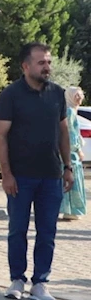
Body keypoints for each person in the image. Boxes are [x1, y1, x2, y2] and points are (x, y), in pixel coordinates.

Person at [0, 42, 74, 300]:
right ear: (26, 66)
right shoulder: (11, 95)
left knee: (47, 233)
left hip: (51, 176)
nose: (47, 67)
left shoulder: (57, 93)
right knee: (17, 230)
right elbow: (1, 136)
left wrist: (68, 166)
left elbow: (63, 132)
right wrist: (6, 174)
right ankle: (17, 280)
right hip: (20, 176)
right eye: (41, 63)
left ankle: (40, 283)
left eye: (49, 62)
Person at [60, 86, 86, 220]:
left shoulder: (72, 110)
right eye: (76, 95)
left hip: (72, 153)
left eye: (80, 95)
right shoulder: (69, 112)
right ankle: (70, 211)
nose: (79, 98)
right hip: (71, 153)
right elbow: (70, 134)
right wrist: (78, 149)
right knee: (72, 181)